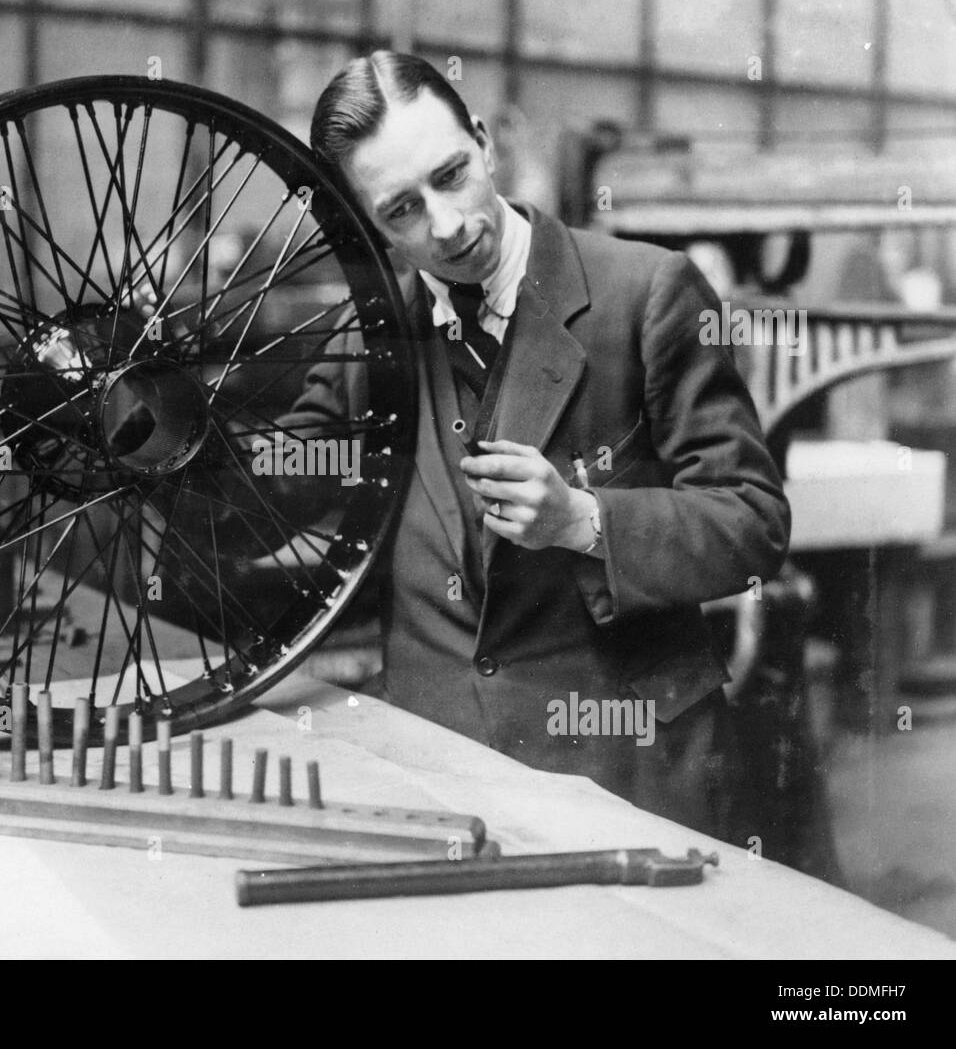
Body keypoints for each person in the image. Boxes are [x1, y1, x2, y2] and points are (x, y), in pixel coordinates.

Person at [294, 52, 791, 842]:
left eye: (452, 174)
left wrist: (583, 521)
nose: (447, 224)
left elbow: (753, 523)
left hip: (626, 776)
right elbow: (284, 480)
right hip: (438, 779)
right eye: (402, 211)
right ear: (366, 224)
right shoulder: (371, 327)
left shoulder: (648, 292)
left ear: (485, 144)